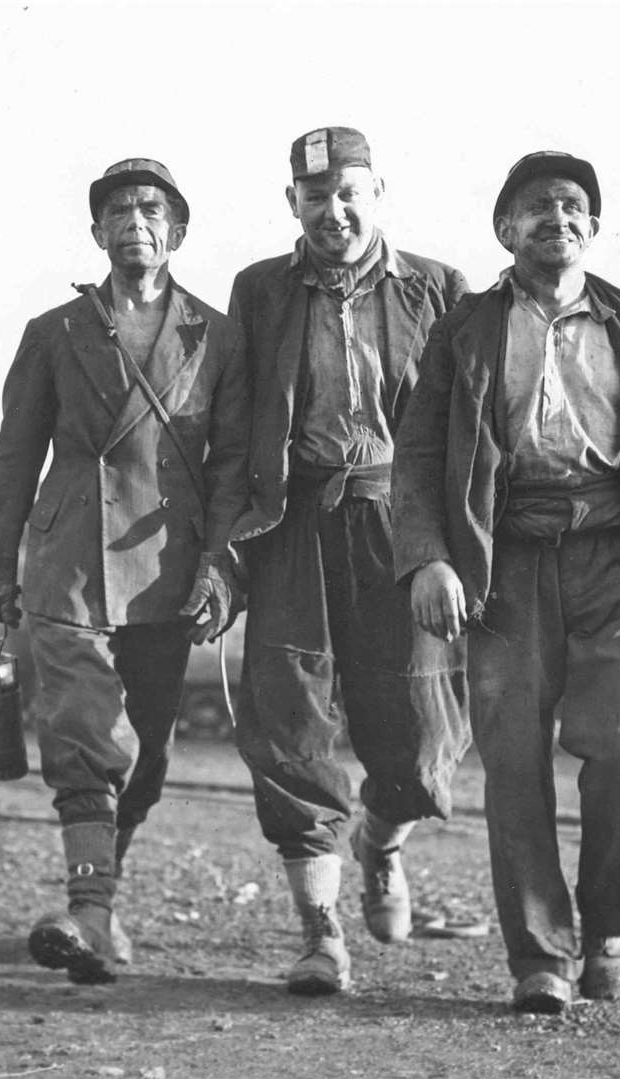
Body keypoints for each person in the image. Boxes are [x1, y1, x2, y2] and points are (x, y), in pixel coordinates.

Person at [392, 151, 620, 1014]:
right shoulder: (462, 329)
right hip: (502, 564)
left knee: (617, 745)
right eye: (535, 206)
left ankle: (616, 932)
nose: (557, 218)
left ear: (595, 228)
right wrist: (429, 557)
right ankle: (538, 956)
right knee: (511, 760)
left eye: (574, 206)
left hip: (619, 560)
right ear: (505, 229)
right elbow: (421, 458)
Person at [0, 158, 250, 985]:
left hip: (167, 568)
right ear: (97, 233)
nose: (136, 220)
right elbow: (16, 453)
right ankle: (87, 909)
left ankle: (103, 898)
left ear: (178, 231)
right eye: (119, 210)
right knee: (85, 733)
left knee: (149, 754)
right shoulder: (54, 332)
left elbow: (233, 465)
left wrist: (221, 570)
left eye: (152, 208)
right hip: (71, 561)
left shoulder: (219, 335)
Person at [226, 126, 472, 995]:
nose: (333, 212)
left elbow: (472, 433)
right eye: (315, 196)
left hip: (405, 531)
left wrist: (463, 548)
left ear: (379, 194)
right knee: (293, 723)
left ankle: (381, 842)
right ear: (291, 202)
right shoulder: (259, 291)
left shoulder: (438, 289)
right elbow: (231, 424)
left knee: (425, 731)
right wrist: (226, 553)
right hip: (294, 527)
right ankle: (320, 934)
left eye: (349, 194)